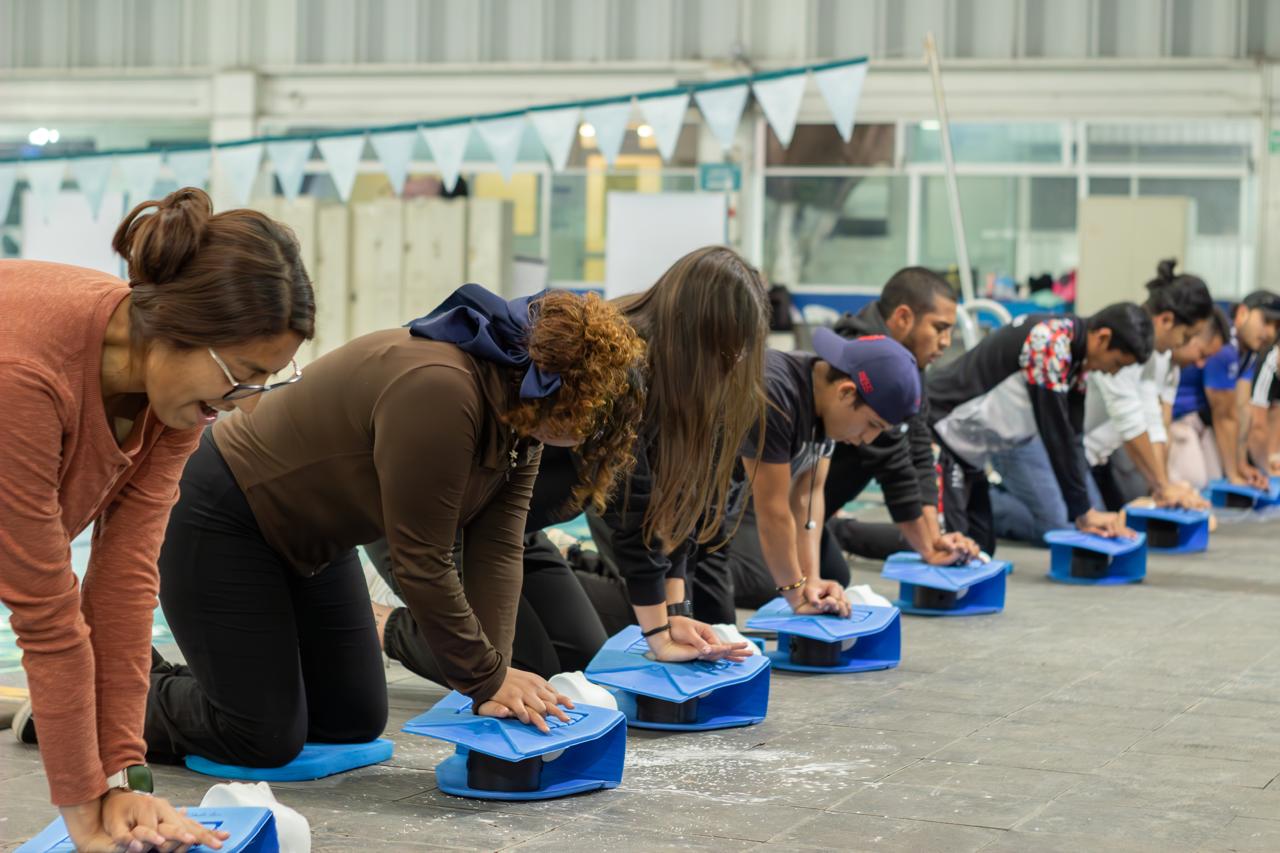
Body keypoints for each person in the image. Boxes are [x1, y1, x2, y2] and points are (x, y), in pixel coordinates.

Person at [145, 283, 645, 769]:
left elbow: (497, 548)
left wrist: (491, 684)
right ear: (563, 392)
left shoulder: (521, 418)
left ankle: (235, 681)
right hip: (225, 512)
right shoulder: (442, 390)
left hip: (316, 542)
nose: (589, 435)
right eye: (591, 419)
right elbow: (421, 561)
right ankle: (114, 691)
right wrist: (486, 677)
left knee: (351, 718)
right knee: (259, 735)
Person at [2, 187, 315, 853]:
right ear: (181, 326)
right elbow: (45, 610)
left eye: (266, 380)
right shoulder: (24, 371)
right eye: (243, 375)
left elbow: (122, 586)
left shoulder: (170, 391)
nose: (247, 405)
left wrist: (123, 777)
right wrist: (82, 806)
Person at [366, 246, 769, 675]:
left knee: (578, 658)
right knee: (512, 665)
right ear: (700, 335)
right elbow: (633, 511)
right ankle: (373, 621)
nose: (736, 365)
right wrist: (659, 636)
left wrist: (677, 613)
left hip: (508, 527)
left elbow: (671, 520)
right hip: (436, 522)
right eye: (731, 352)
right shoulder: (616, 363)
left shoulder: (681, 384)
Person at [692, 331, 924, 618]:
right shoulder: (775, 394)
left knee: (831, 573)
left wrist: (811, 578)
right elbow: (773, 511)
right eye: (873, 424)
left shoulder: (821, 397)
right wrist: (796, 593)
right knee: (741, 604)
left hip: (711, 516)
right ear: (846, 392)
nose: (868, 439)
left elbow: (808, 494)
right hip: (676, 517)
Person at [931, 303, 1153, 553]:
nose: (1113, 373)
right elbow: (1056, 436)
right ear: (1103, 338)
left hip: (973, 453)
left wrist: (1084, 510)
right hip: (942, 431)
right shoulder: (1050, 342)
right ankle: (909, 531)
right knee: (950, 551)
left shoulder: (1077, 362)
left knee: (981, 549)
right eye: (1117, 363)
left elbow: (1074, 437)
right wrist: (1083, 511)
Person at [822, 267, 979, 564]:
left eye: (950, 330)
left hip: (816, 508)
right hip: (772, 504)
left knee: (845, 572)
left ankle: (834, 528)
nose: (946, 341)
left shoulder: (908, 360)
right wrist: (930, 549)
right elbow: (892, 461)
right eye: (939, 328)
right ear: (904, 317)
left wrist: (934, 539)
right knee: (770, 584)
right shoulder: (861, 355)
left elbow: (919, 446)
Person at [1080, 260, 1214, 510]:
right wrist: (1163, 487)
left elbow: (1153, 421)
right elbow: (1130, 423)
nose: (1182, 345)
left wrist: (1163, 485)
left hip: (1097, 458)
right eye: (1185, 336)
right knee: (1070, 522)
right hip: (1069, 452)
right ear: (1166, 320)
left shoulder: (1159, 355)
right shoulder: (1124, 340)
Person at [1165, 290, 1280, 490]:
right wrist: (1233, 473)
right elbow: (1223, 413)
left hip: (1202, 422)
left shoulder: (1249, 353)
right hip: (1178, 419)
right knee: (1198, 481)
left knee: (1216, 479)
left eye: (1276, 326)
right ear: (1243, 313)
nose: (1270, 332)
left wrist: (1241, 464)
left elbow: (1242, 409)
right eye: (1266, 321)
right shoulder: (1226, 346)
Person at [1246, 342, 1280, 476]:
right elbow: (1257, 426)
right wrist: (1268, 470)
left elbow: (1276, 414)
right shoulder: (1269, 362)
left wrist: (1274, 457)